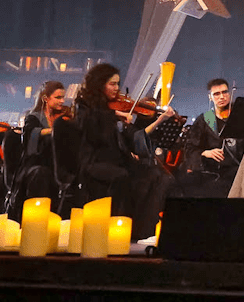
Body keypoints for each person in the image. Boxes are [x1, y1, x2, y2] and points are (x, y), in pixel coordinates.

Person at [71, 63, 174, 239]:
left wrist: (157, 120)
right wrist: (114, 116)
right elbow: (90, 127)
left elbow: (132, 137)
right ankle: (123, 228)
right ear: (99, 83)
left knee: (162, 177)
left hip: (118, 159)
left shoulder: (111, 107)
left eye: (118, 84)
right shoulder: (84, 105)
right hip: (95, 161)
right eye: (112, 84)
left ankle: (144, 231)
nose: (116, 88)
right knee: (123, 176)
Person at [179, 79, 244, 198]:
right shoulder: (204, 119)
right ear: (210, 97)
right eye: (216, 94)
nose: (221, 97)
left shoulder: (242, 116)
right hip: (214, 172)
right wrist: (205, 153)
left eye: (224, 92)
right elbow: (190, 148)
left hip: (240, 169)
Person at [11, 81, 65, 220]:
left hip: (57, 162)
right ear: (45, 98)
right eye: (58, 97)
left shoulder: (62, 116)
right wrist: (52, 131)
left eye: (63, 97)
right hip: (36, 162)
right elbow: (29, 135)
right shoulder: (33, 117)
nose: (62, 101)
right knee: (42, 174)